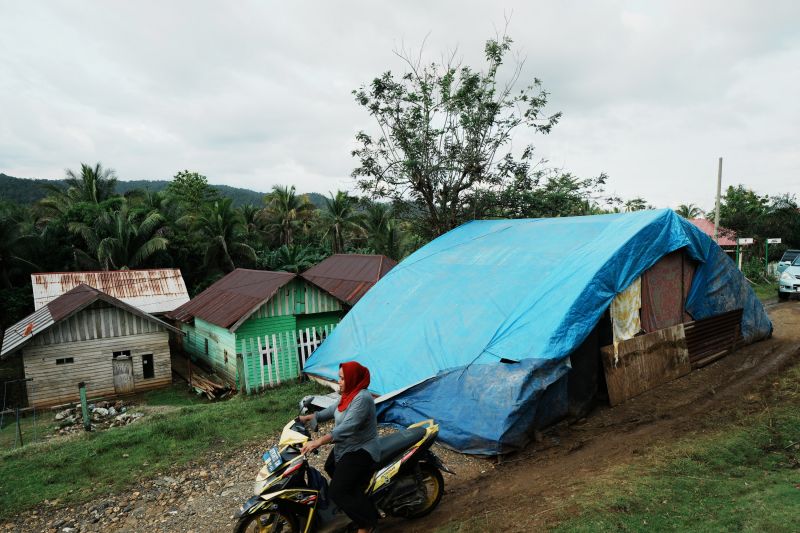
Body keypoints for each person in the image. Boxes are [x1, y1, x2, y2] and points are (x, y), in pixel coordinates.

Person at [299, 362, 380, 533]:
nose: (339, 381)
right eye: (339, 377)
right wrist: (308, 418)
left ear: (352, 378)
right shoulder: (348, 395)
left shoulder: (362, 398)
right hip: (347, 447)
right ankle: (356, 500)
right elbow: (332, 410)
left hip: (362, 449)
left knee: (337, 491)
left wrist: (319, 441)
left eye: (342, 378)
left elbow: (347, 427)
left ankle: (367, 523)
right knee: (330, 466)